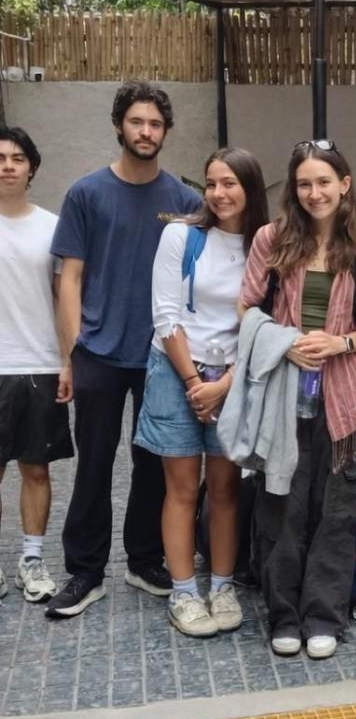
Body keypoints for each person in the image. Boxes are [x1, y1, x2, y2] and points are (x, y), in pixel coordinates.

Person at [46, 80, 201, 619]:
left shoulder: (184, 201)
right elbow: (69, 278)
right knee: (93, 464)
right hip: (98, 353)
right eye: (137, 121)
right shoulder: (86, 194)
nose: (146, 131)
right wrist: (71, 353)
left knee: (154, 465)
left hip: (161, 356)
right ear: (119, 125)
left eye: (155, 124)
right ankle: (85, 572)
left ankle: (144, 559)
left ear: (165, 131)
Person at [238, 140, 356, 659]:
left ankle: (324, 616)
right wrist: (286, 344)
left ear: (344, 185)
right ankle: (283, 615)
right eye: (304, 183)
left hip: (341, 402)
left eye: (324, 182)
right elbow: (247, 309)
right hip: (282, 396)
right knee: (280, 507)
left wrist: (338, 343)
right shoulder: (271, 239)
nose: (314, 192)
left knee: (335, 512)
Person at [134, 148, 269, 638]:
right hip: (177, 370)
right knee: (183, 489)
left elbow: (265, 320)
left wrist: (226, 382)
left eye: (229, 183)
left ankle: (224, 585)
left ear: (250, 188)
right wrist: (195, 383)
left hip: (234, 375)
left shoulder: (265, 244)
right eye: (211, 183)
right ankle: (185, 592)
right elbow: (166, 314)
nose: (218, 193)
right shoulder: (181, 235)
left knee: (226, 488)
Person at [0, 126, 73, 603]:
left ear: (31, 168)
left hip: (39, 363)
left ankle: (31, 559)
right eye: (0, 158)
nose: (7, 166)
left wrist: (68, 361)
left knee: (36, 469)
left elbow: (63, 298)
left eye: (17, 158)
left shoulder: (52, 227)